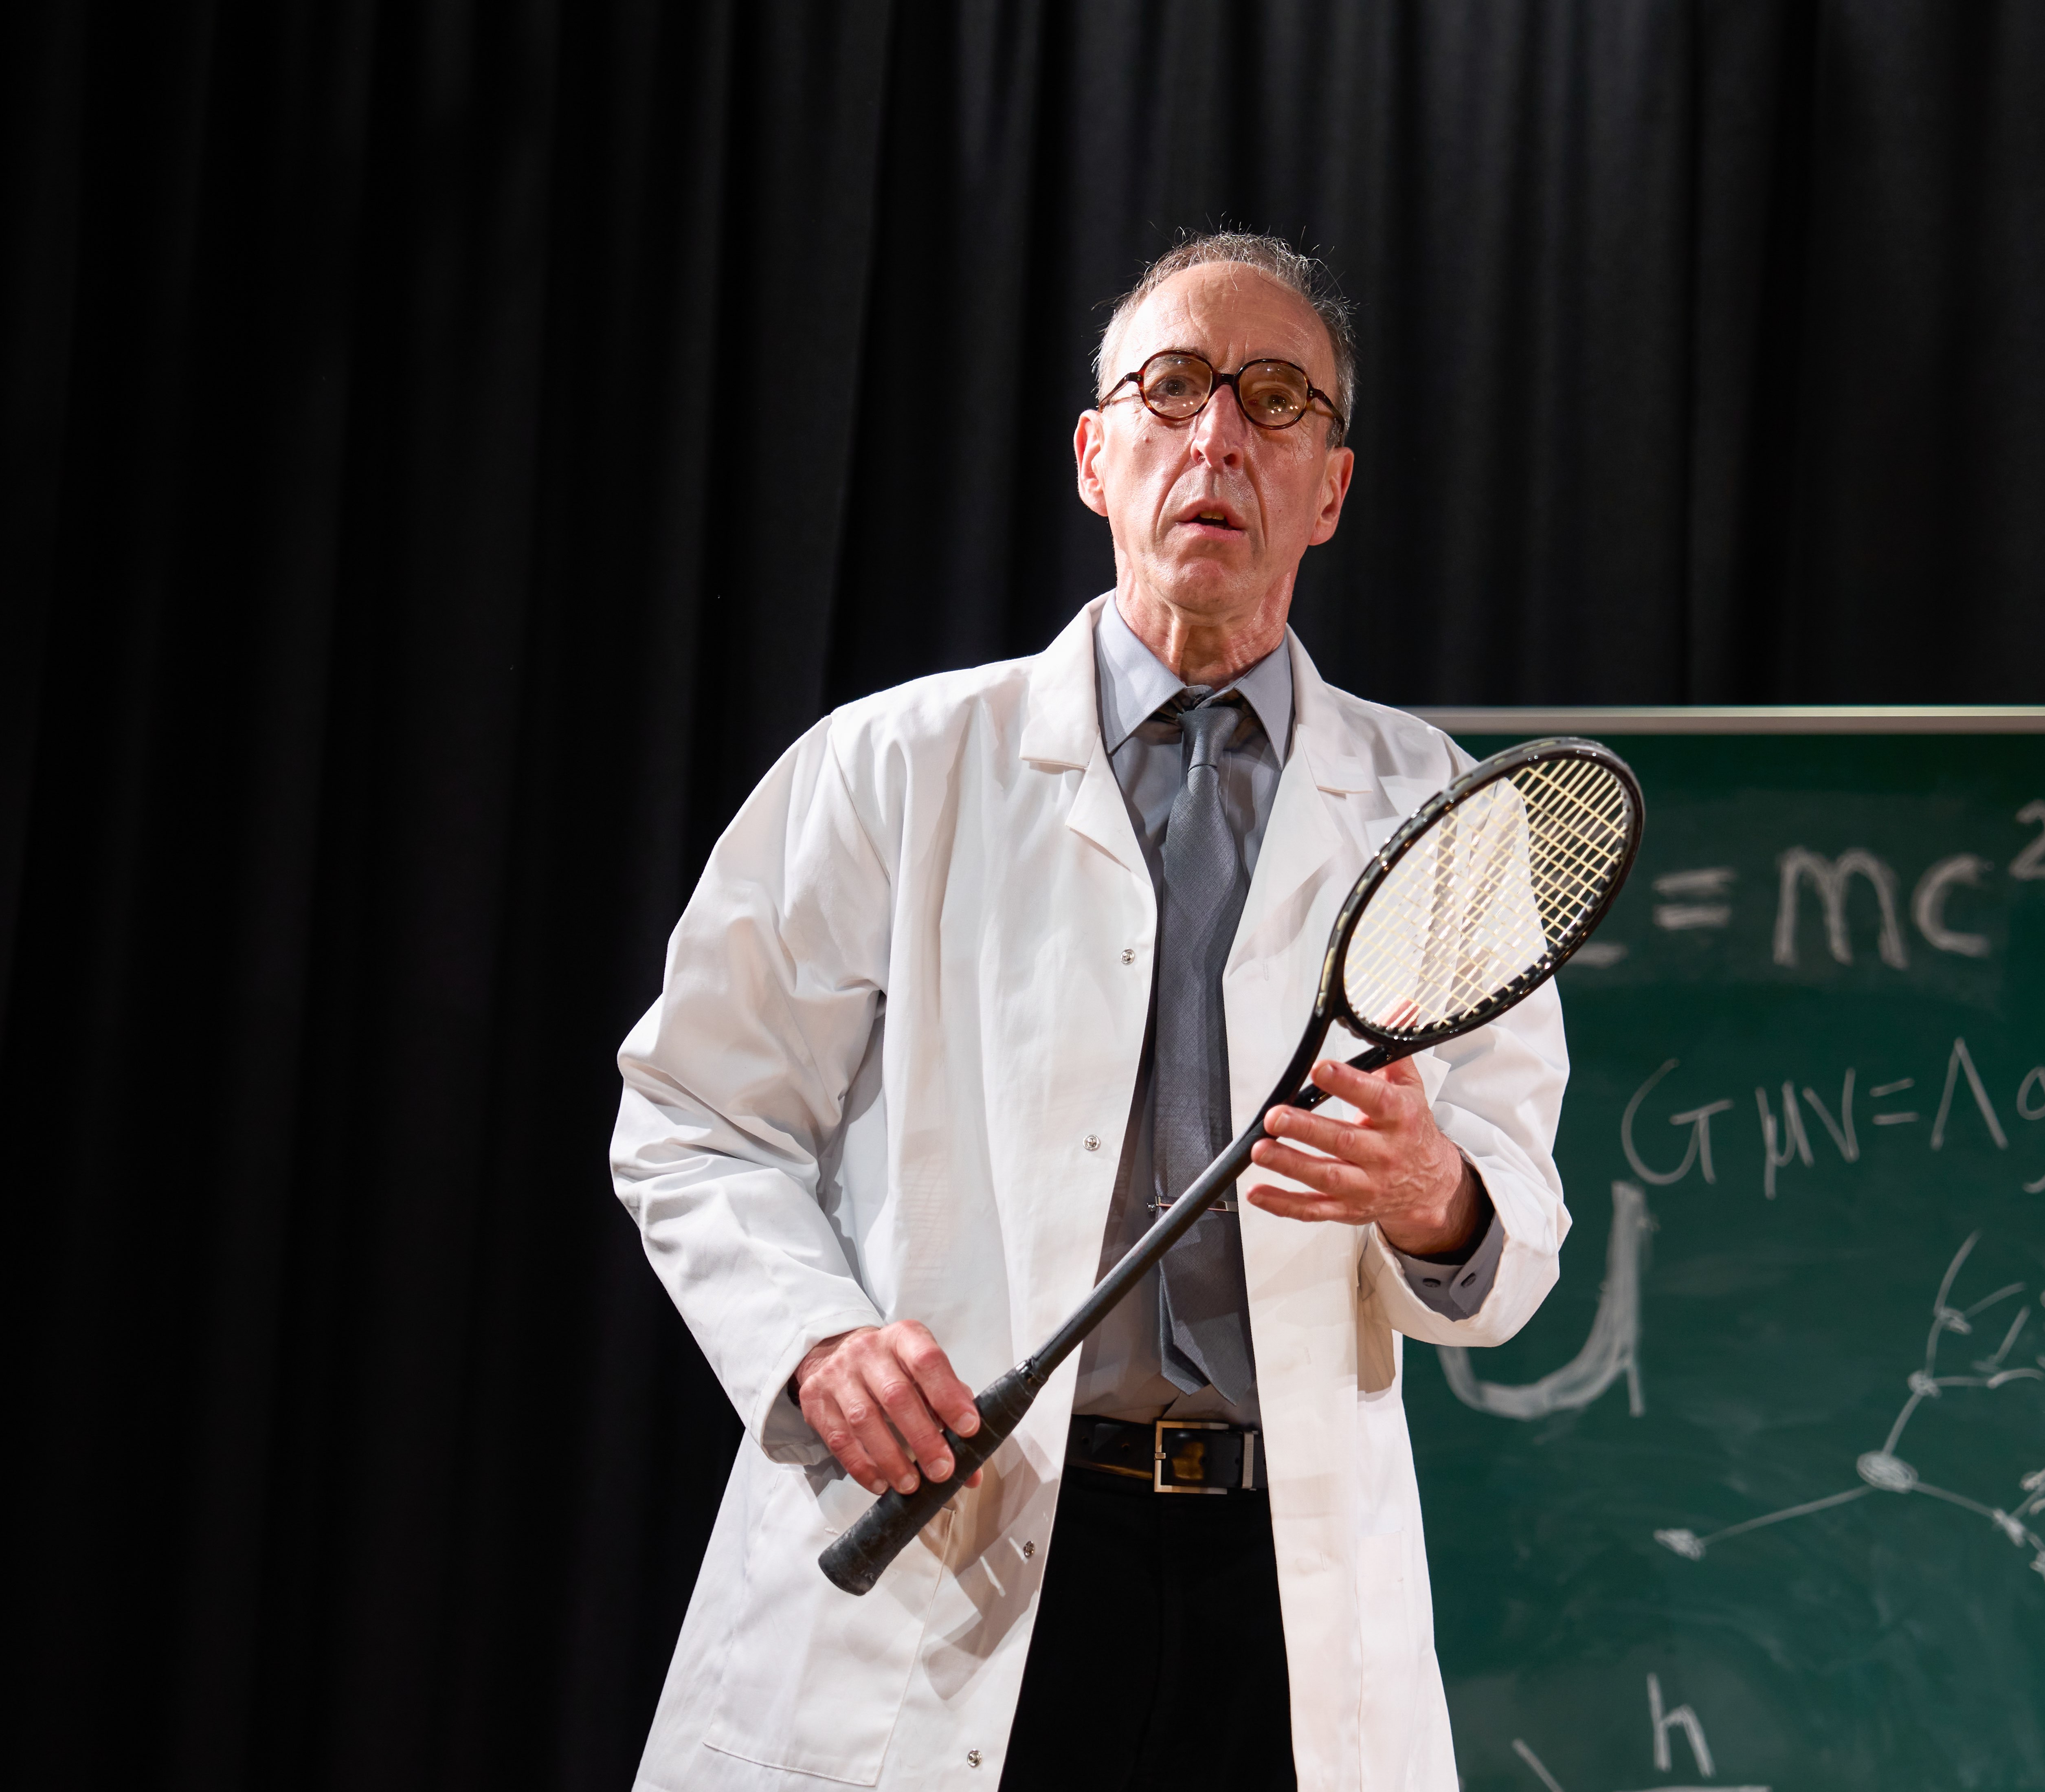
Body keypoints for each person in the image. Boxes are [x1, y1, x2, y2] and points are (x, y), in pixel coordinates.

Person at [611, 231, 1571, 1792]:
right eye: (1174, 386)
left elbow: (1513, 1236)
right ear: (1093, 454)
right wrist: (815, 1339)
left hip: (1278, 1583)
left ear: (1331, 489)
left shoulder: (1437, 815)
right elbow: (694, 1114)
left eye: (1277, 401)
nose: (1219, 439)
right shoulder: (892, 766)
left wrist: (1434, 1195)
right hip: (966, 1544)